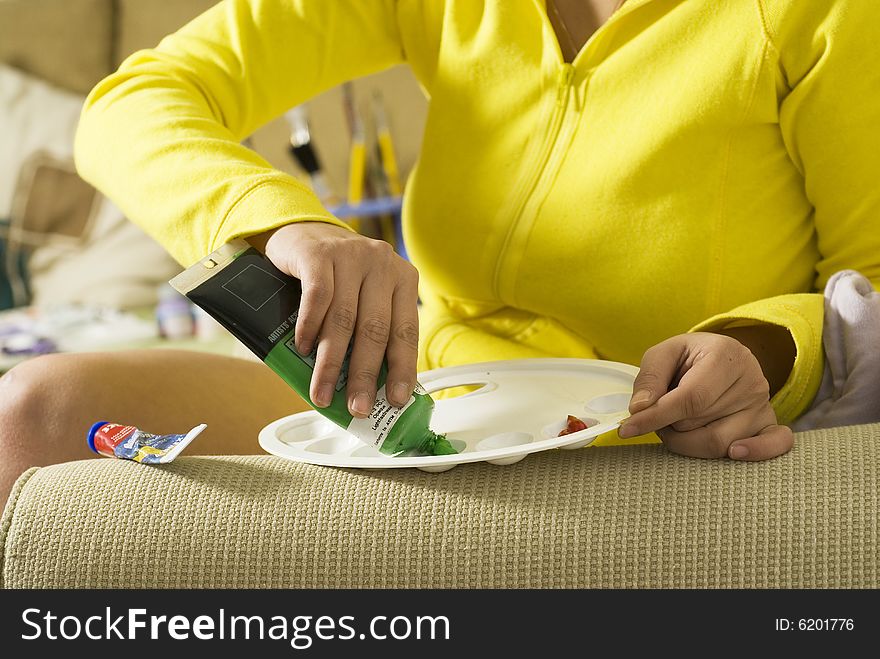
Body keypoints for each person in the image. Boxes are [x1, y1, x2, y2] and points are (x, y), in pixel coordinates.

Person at [1, 0, 878, 508]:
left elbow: (870, 285)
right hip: (415, 407)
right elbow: (136, 101)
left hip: (639, 439)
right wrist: (283, 224)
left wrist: (761, 346)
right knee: (34, 411)